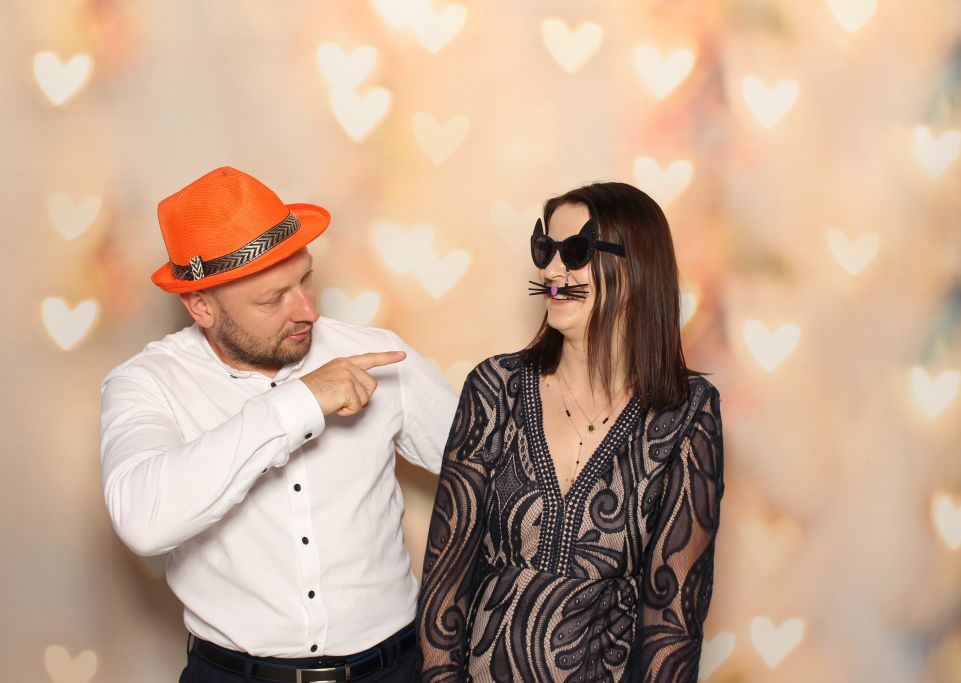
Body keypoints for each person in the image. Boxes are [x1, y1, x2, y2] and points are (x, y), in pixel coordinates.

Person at [99, 166, 457, 682]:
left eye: (306, 278)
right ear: (201, 306)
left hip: (393, 670)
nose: (307, 310)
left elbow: (494, 471)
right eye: (272, 298)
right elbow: (143, 521)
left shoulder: (377, 354)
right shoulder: (146, 384)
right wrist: (301, 402)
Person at [417, 182, 725, 682]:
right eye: (546, 249)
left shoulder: (687, 413)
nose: (551, 272)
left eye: (576, 251)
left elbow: (673, 626)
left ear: (636, 267)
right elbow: (443, 584)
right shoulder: (495, 389)